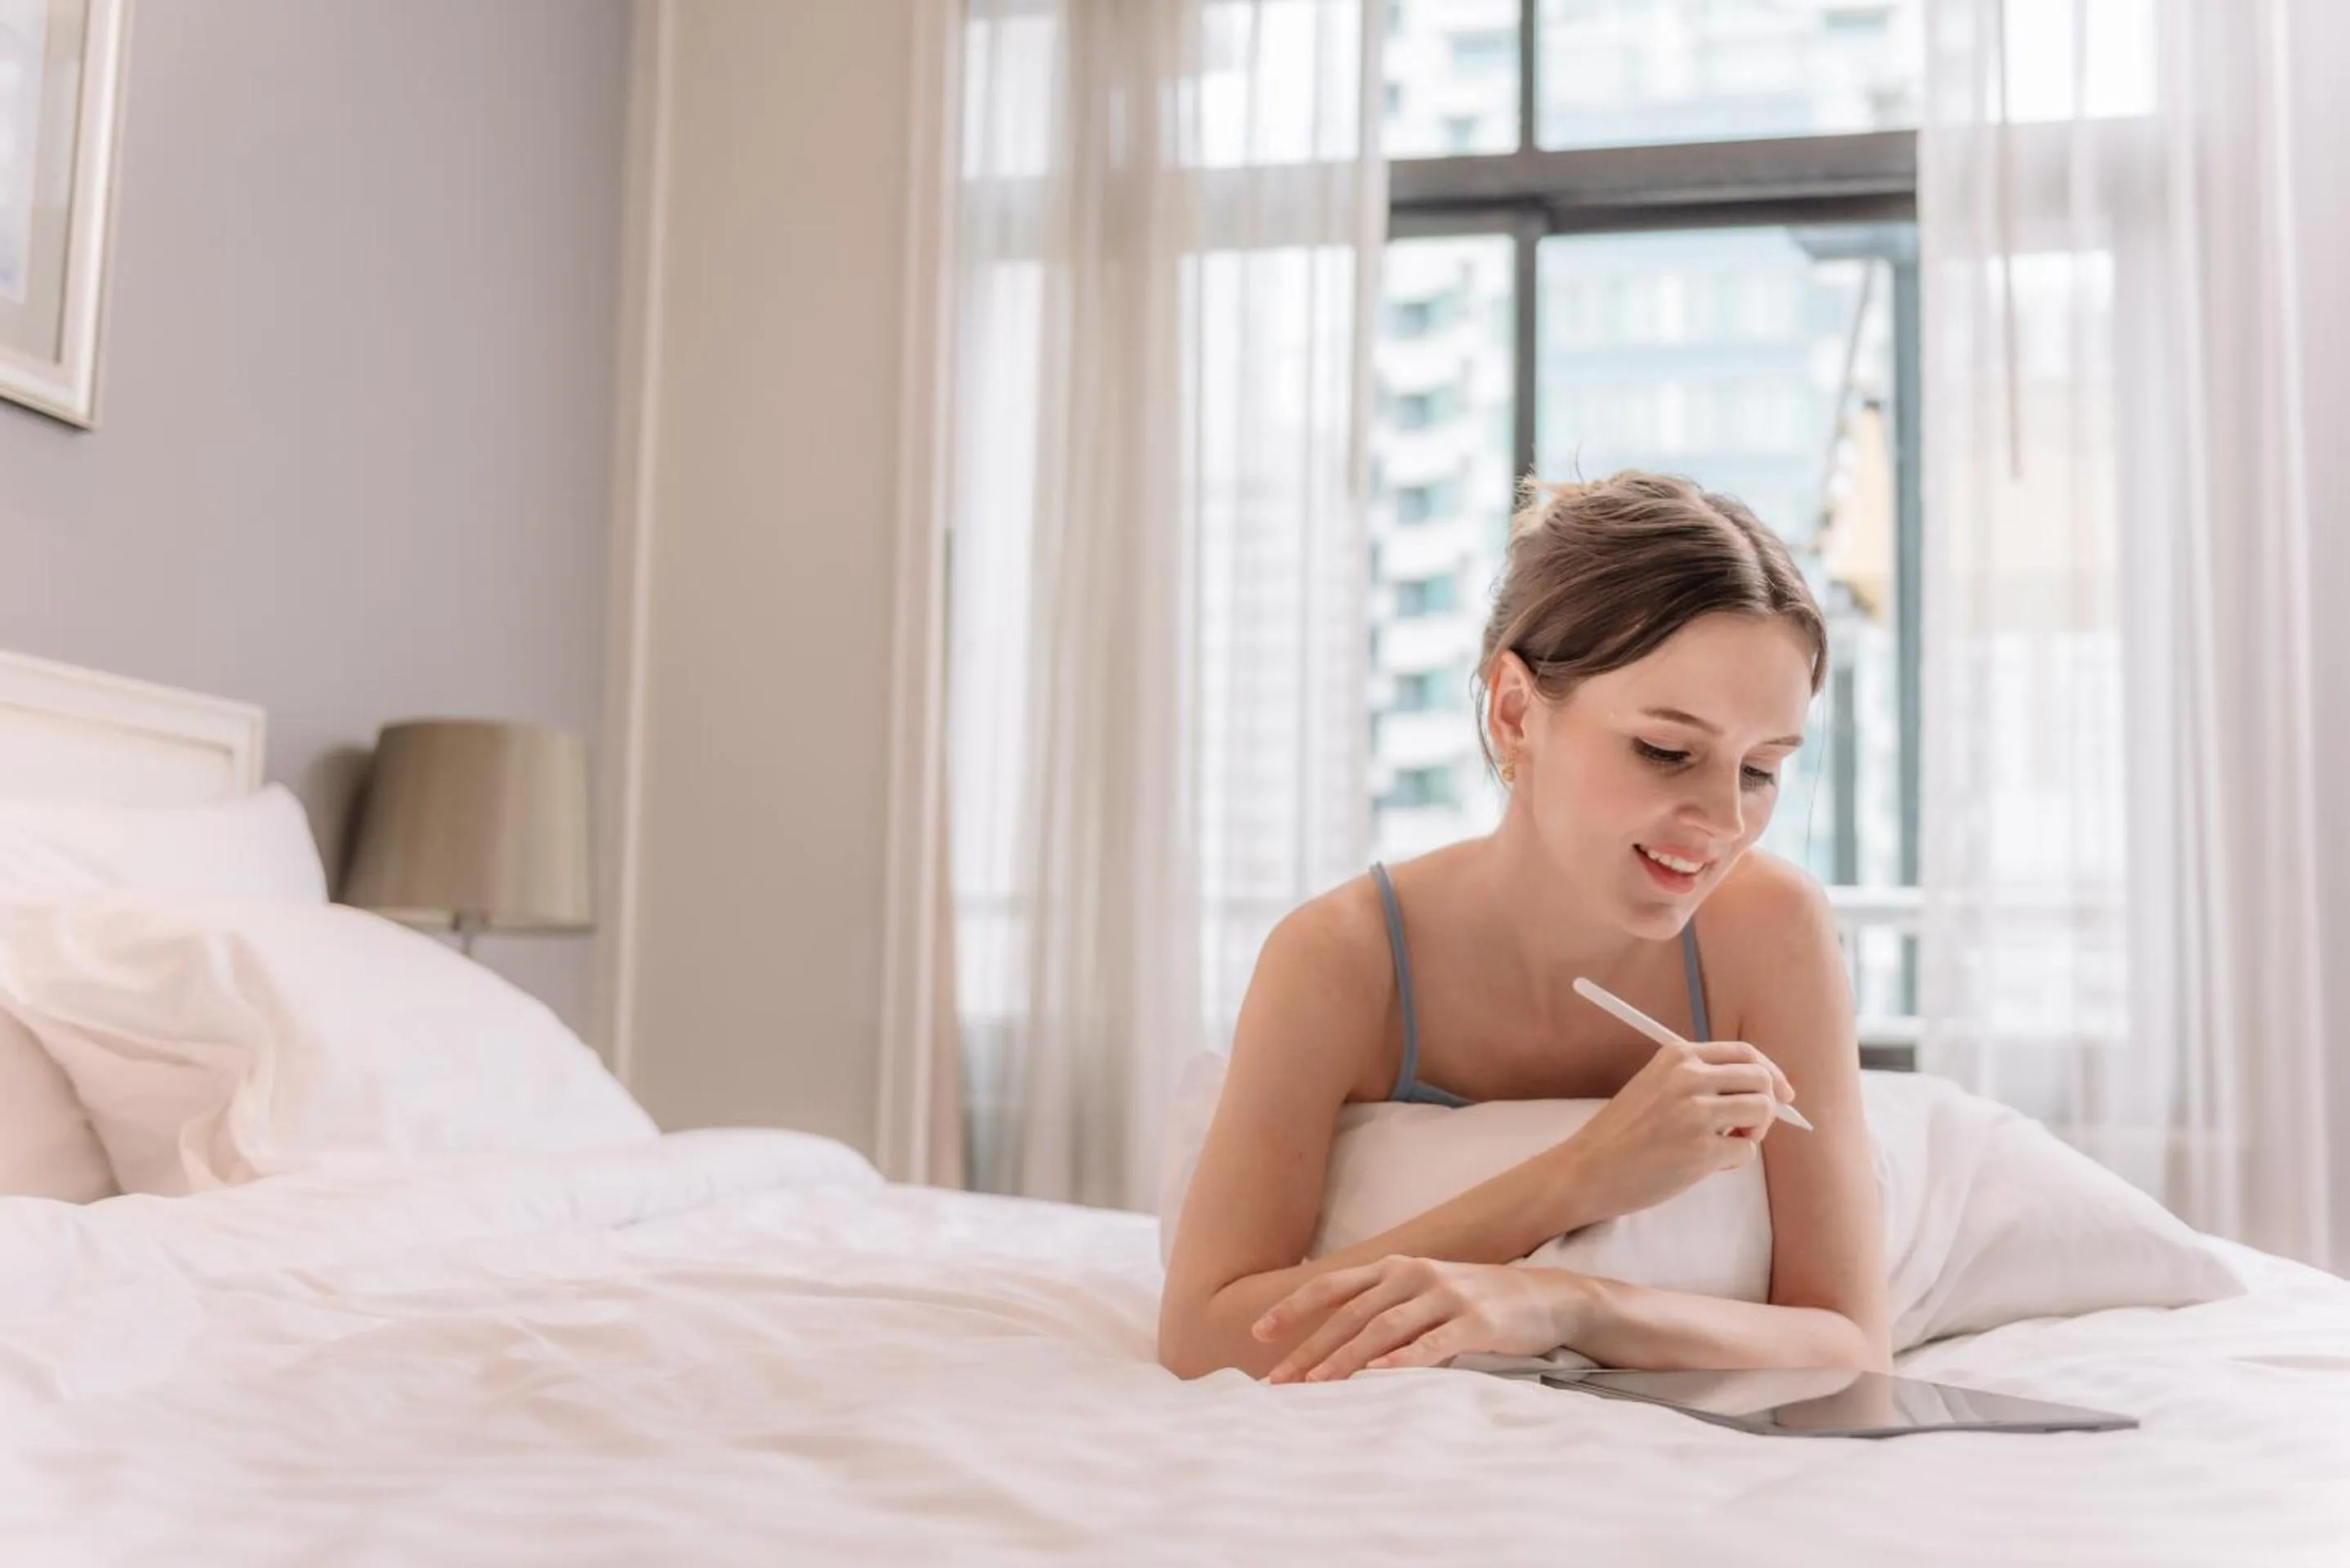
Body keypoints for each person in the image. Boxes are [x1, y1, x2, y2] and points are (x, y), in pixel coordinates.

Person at [1157, 471, 1890, 1383]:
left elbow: (1852, 1342)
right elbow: (1201, 1333)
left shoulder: (1769, 926)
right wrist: (1580, 1175)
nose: (1722, 821)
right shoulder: (1342, 958)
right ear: (1513, 710)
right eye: (1666, 751)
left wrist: (1565, 1302)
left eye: (1759, 769)